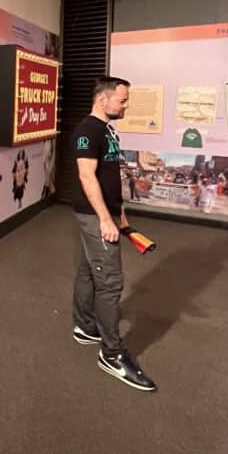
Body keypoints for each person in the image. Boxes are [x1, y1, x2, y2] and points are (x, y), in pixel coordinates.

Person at [71, 76, 156, 392]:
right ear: (103, 99)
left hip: (104, 214)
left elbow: (109, 179)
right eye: (122, 100)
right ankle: (112, 354)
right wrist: (105, 220)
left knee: (86, 271)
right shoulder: (86, 131)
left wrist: (122, 219)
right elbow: (86, 176)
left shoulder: (107, 129)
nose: (126, 104)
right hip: (94, 217)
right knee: (110, 282)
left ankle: (84, 326)